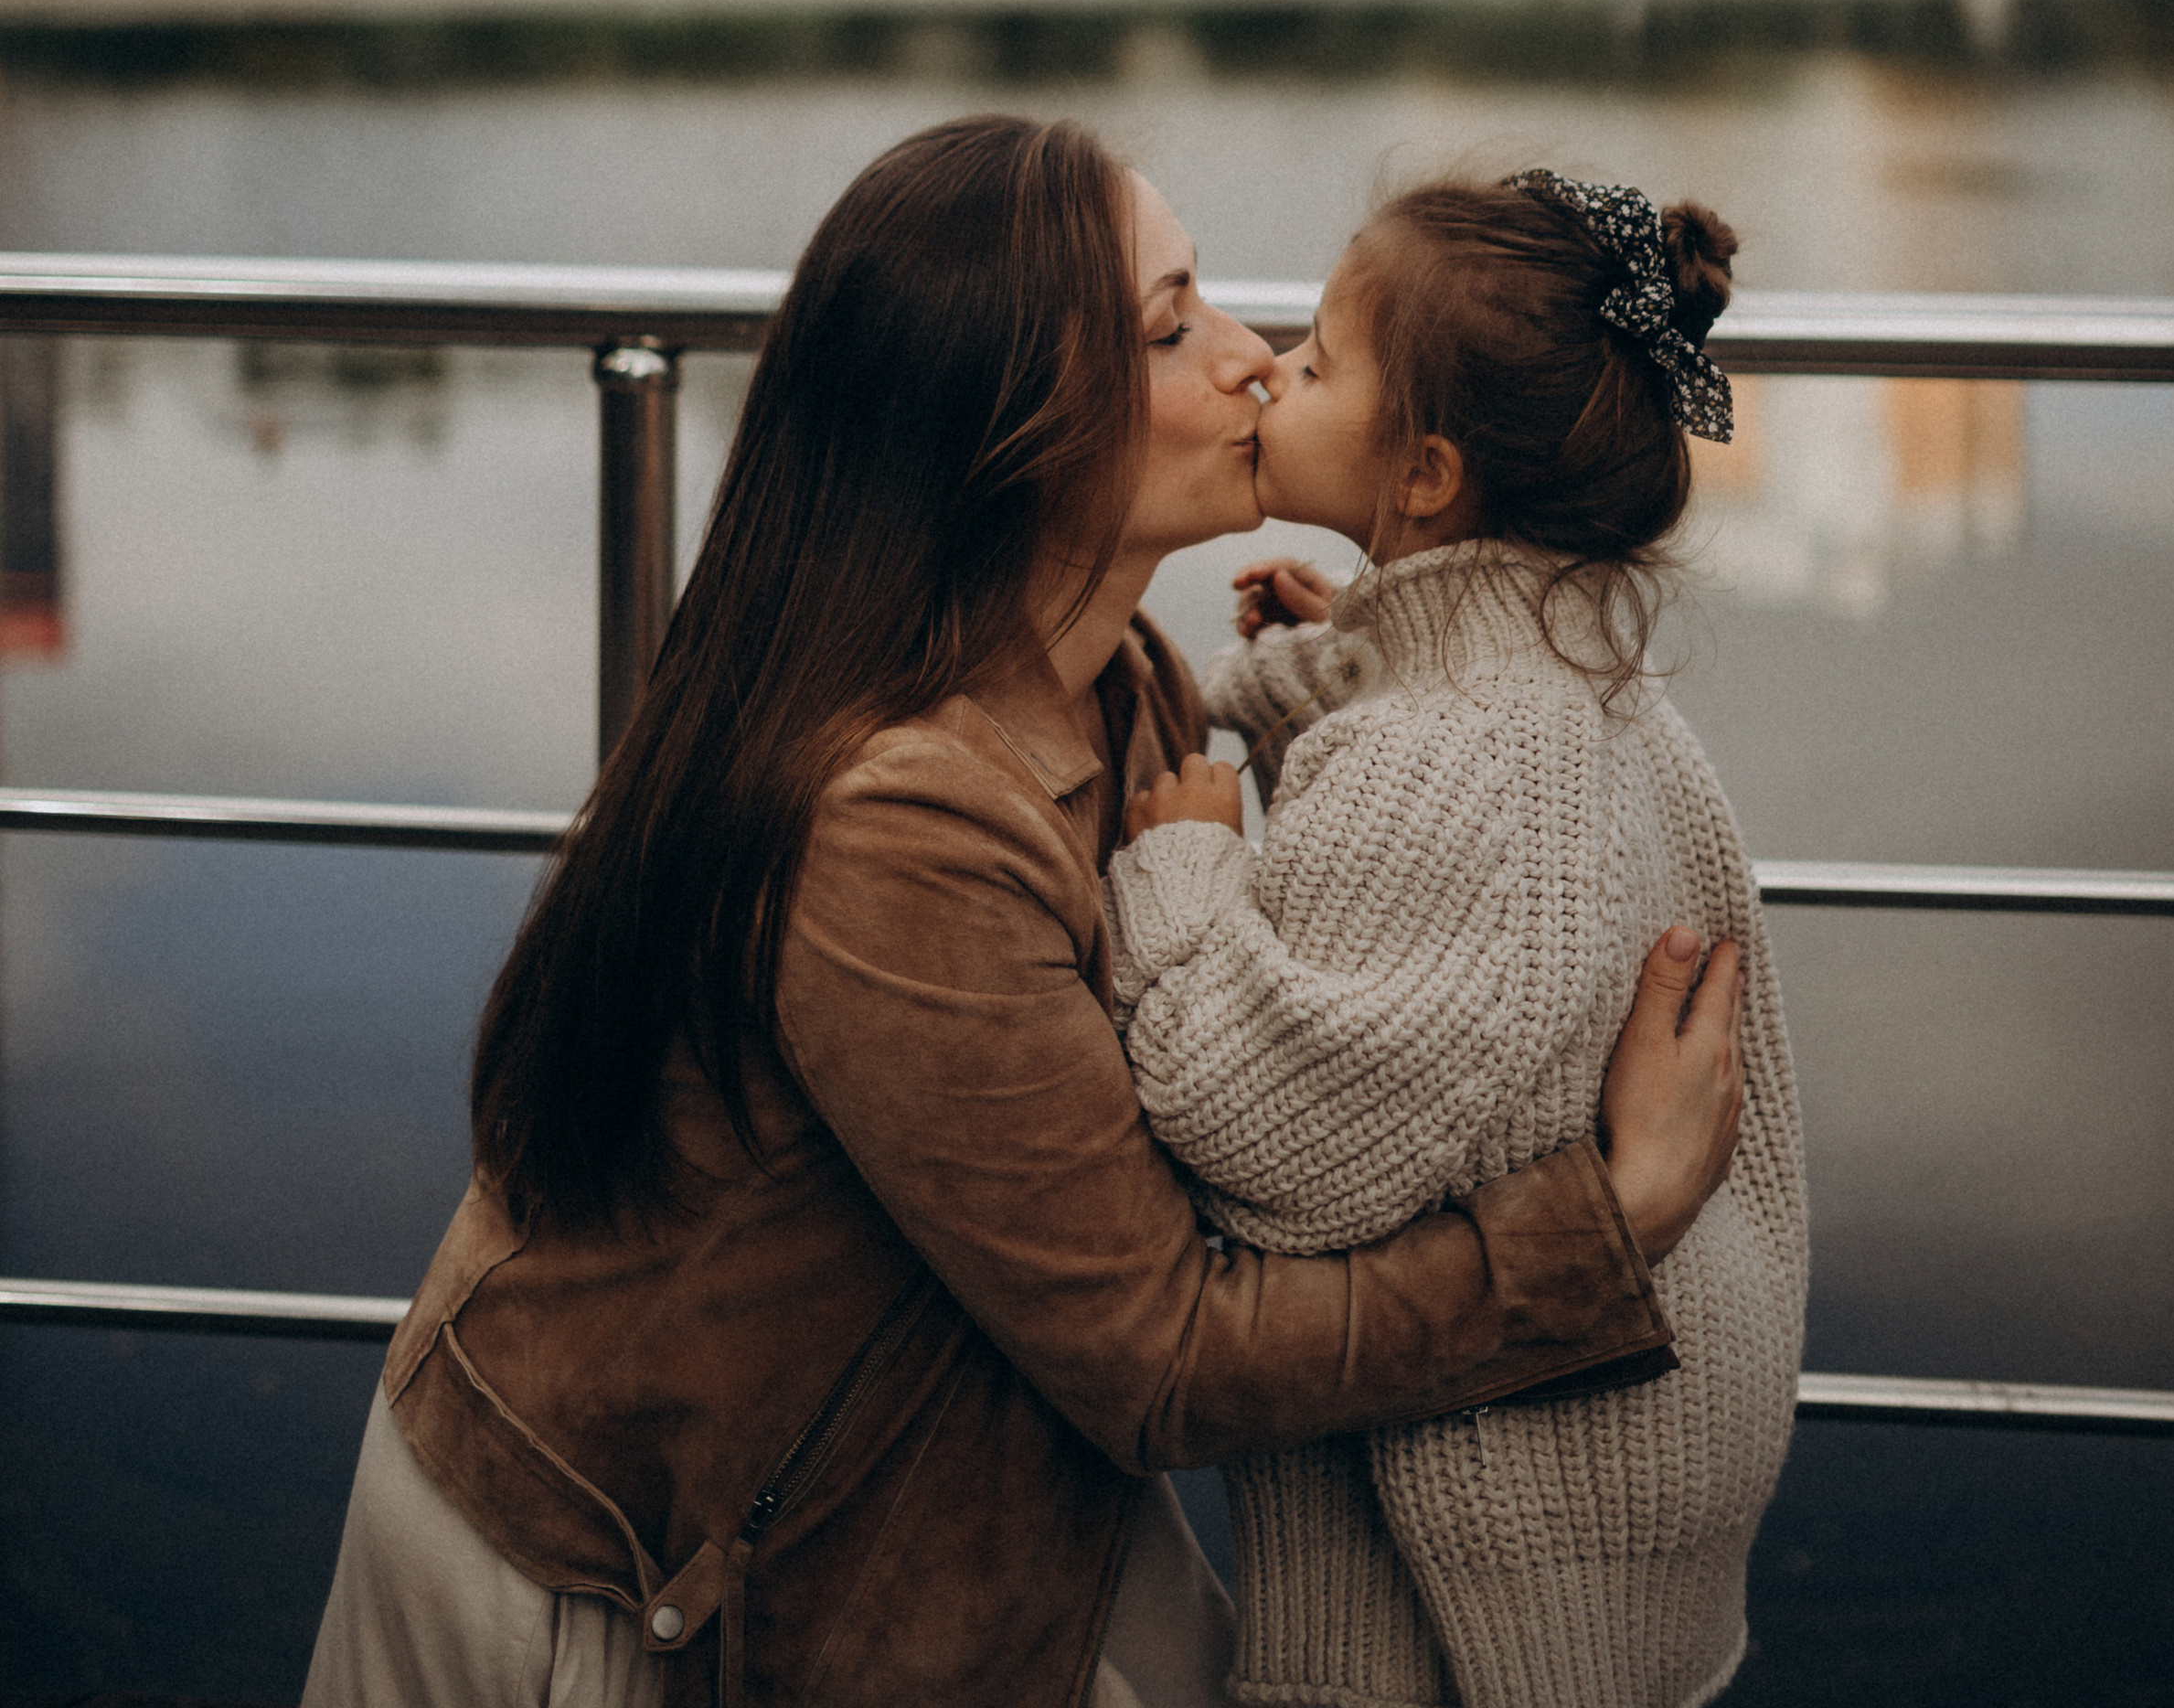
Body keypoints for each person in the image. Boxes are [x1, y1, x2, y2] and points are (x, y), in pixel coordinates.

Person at [303, 118, 1745, 1708]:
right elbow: (1164, 1355)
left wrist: (1393, 659)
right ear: (1008, 428)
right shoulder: (897, 820)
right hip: (624, 1575)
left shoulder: (1128, 681)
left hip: (949, 1488)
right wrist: (1604, 1229)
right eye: (1171, 325)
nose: (1258, 363)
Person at [1107, 169, 1806, 1708]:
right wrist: (1335, 671)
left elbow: (1254, 1135)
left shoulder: (1443, 764)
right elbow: (1459, 936)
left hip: (1457, 1602)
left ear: (1421, 475)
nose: (1268, 369)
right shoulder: (1566, 682)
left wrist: (1183, 873)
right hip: (1615, 1466)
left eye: (1319, 359)